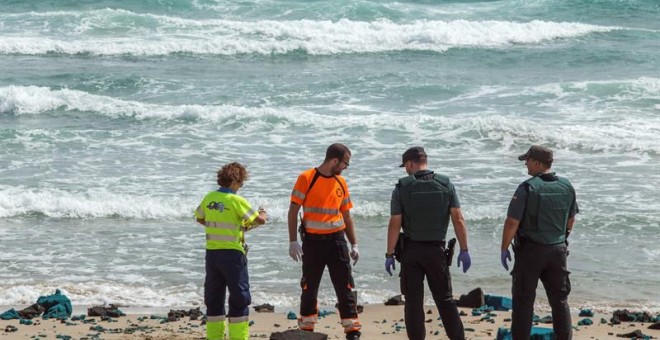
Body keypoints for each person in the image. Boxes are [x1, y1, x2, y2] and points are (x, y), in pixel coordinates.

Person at [385, 146, 471, 340]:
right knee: (445, 300)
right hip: (437, 252)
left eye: (405, 166)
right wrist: (464, 249)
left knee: (413, 303)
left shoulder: (402, 187)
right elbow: (458, 219)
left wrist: (389, 254)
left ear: (409, 163)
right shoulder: (446, 184)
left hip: (411, 252)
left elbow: (394, 223)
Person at [500, 145, 578, 340]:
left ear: (536, 163)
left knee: (524, 302)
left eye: (527, 160)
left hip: (530, 252)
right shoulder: (566, 186)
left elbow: (512, 222)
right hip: (558, 251)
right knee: (559, 301)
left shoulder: (527, 187)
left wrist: (504, 247)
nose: (525, 163)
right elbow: (571, 219)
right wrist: (563, 237)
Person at [287, 143, 362, 339]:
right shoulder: (307, 178)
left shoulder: (341, 182)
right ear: (334, 160)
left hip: (337, 242)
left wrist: (354, 244)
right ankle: (306, 329)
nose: (346, 167)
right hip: (312, 243)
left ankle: (352, 331)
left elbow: (346, 216)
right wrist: (293, 241)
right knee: (309, 288)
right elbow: (293, 210)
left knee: (345, 286)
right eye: (345, 163)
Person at [194, 162, 267, 340]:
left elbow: (200, 218)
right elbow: (259, 220)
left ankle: (215, 337)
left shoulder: (209, 197)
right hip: (233, 256)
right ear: (235, 181)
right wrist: (263, 211)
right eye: (241, 183)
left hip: (212, 255)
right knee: (239, 298)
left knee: (214, 298)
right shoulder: (236, 201)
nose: (241, 187)